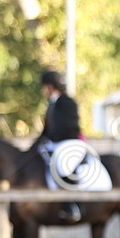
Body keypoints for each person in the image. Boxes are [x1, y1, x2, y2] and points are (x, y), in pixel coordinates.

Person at [36, 68, 83, 223]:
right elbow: (47, 128)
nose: (43, 91)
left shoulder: (67, 103)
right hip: (54, 143)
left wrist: (51, 138)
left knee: (62, 165)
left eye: (44, 87)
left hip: (68, 142)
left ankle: (71, 205)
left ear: (50, 86)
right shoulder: (51, 104)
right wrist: (38, 142)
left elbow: (69, 126)